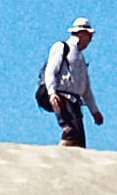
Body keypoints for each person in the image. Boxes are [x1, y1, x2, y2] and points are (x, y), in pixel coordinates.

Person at [43, 19, 102, 150]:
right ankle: (58, 157)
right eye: (89, 35)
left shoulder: (81, 57)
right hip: (62, 97)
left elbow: (86, 89)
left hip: (75, 102)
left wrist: (94, 111)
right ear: (81, 33)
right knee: (70, 132)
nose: (90, 39)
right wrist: (52, 93)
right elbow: (50, 71)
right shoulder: (63, 47)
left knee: (79, 141)